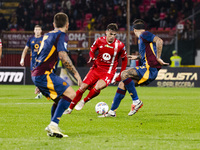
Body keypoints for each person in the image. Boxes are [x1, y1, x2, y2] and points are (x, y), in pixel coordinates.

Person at [100, 19, 169, 117]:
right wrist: (136, 57)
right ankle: (112, 112)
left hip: (149, 69)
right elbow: (147, 55)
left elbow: (159, 41)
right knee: (122, 84)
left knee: (124, 74)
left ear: (135, 30)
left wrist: (158, 57)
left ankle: (136, 101)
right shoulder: (143, 39)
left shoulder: (144, 34)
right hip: (148, 69)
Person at [31, 12, 82, 138]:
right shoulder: (62, 35)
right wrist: (76, 74)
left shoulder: (47, 35)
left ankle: (53, 127)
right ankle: (53, 124)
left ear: (53, 24)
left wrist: (38, 82)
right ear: (67, 25)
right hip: (43, 74)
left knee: (60, 99)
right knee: (71, 94)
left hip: (38, 73)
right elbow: (63, 56)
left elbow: (41, 56)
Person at [64, 23, 128, 114]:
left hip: (108, 72)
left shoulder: (120, 45)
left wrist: (121, 75)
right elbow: (92, 49)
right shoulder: (99, 40)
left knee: (99, 86)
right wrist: (92, 56)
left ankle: (84, 101)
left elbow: (124, 60)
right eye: (111, 34)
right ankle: (69, 109)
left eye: (114, 35)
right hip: (96, 68)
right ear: (106, 32)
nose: (112, 37)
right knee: (83, 87)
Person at [20, 25, 43, 99]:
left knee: (40, 77)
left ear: (41, 31)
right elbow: (25, 49)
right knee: (34, 77)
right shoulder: (31, 39)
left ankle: (40, 93)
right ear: (34, 31)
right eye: (36, 29)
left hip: (41, 60)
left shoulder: (44, 38)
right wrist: (22, 59)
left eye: (38, 29)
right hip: (33, 61)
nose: (37, 31)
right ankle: (40, 91)